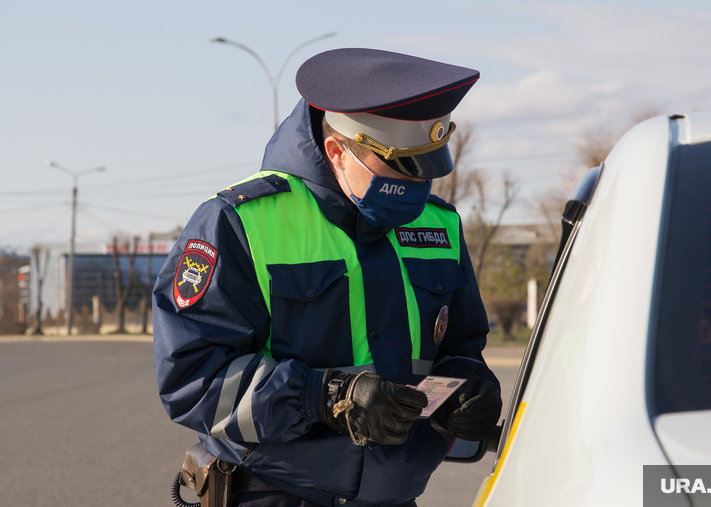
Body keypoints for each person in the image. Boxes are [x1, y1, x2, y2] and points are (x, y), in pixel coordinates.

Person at [153, 48, 502, 507]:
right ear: (338, 152)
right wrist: (325, 396)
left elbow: (459, 346)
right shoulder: (237, 223)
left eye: (428, 166)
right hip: (273, 495)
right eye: (401, 167)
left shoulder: (439, 225)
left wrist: (469, 383)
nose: (418, 185)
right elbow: (191, 379)